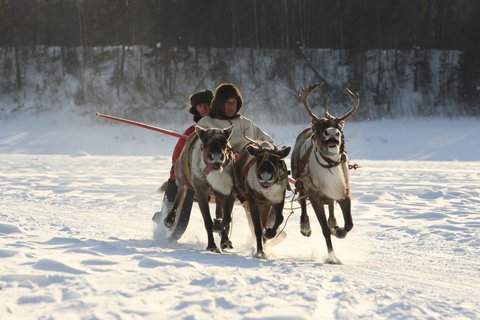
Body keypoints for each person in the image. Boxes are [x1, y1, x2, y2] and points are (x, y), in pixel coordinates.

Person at [152, 89, 213, 222]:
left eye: (207, 104)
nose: (204, 108)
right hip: (188, 174)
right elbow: (178, 153)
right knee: (176, 179)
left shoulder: (221, 128)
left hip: (213, 173)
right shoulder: (191, 131)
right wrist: (177, 169)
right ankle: (164, 214)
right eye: (200, 105)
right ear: (196, 108)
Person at [197, 83, 273, 152]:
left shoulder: (246, 123)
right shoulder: (205, 123)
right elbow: (197, 151)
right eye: (228, 103)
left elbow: (269, 142)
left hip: (247, 164)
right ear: (220, 103)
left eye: (234, 103)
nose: (232, 106)